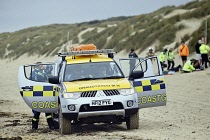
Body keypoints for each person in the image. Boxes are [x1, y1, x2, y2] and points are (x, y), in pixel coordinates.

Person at [31, 62, 54, 130]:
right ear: (37, 66)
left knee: (48, 110)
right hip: (37, 93)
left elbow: (50, 77)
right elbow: (40, 78)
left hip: (45, 93)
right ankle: (34, 127)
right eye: (41, 65)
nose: (43, 66)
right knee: (36, 112)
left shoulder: (43, 72)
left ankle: (51, 126)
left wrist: (48, 70)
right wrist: (44, 71)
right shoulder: (35, 73)